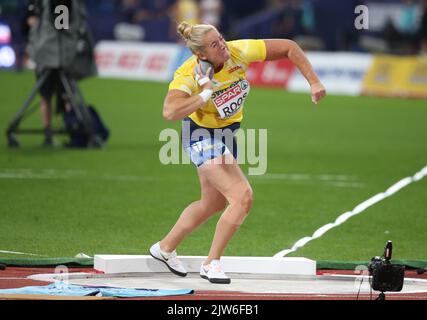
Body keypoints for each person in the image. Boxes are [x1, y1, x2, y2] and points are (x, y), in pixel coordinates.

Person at [149, 21, 326, 284]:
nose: (222, 46)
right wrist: (204, 93)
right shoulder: (188, 73)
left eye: (221, 38)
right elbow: (169, 111)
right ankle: (212, 263)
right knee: (242, 197)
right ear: (201, 55)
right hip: (200, 135)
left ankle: (164, 248)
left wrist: (313, 82)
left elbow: (289, 47)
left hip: (226, 134)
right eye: (214, 44)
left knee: (213, 202)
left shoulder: (238, 51)